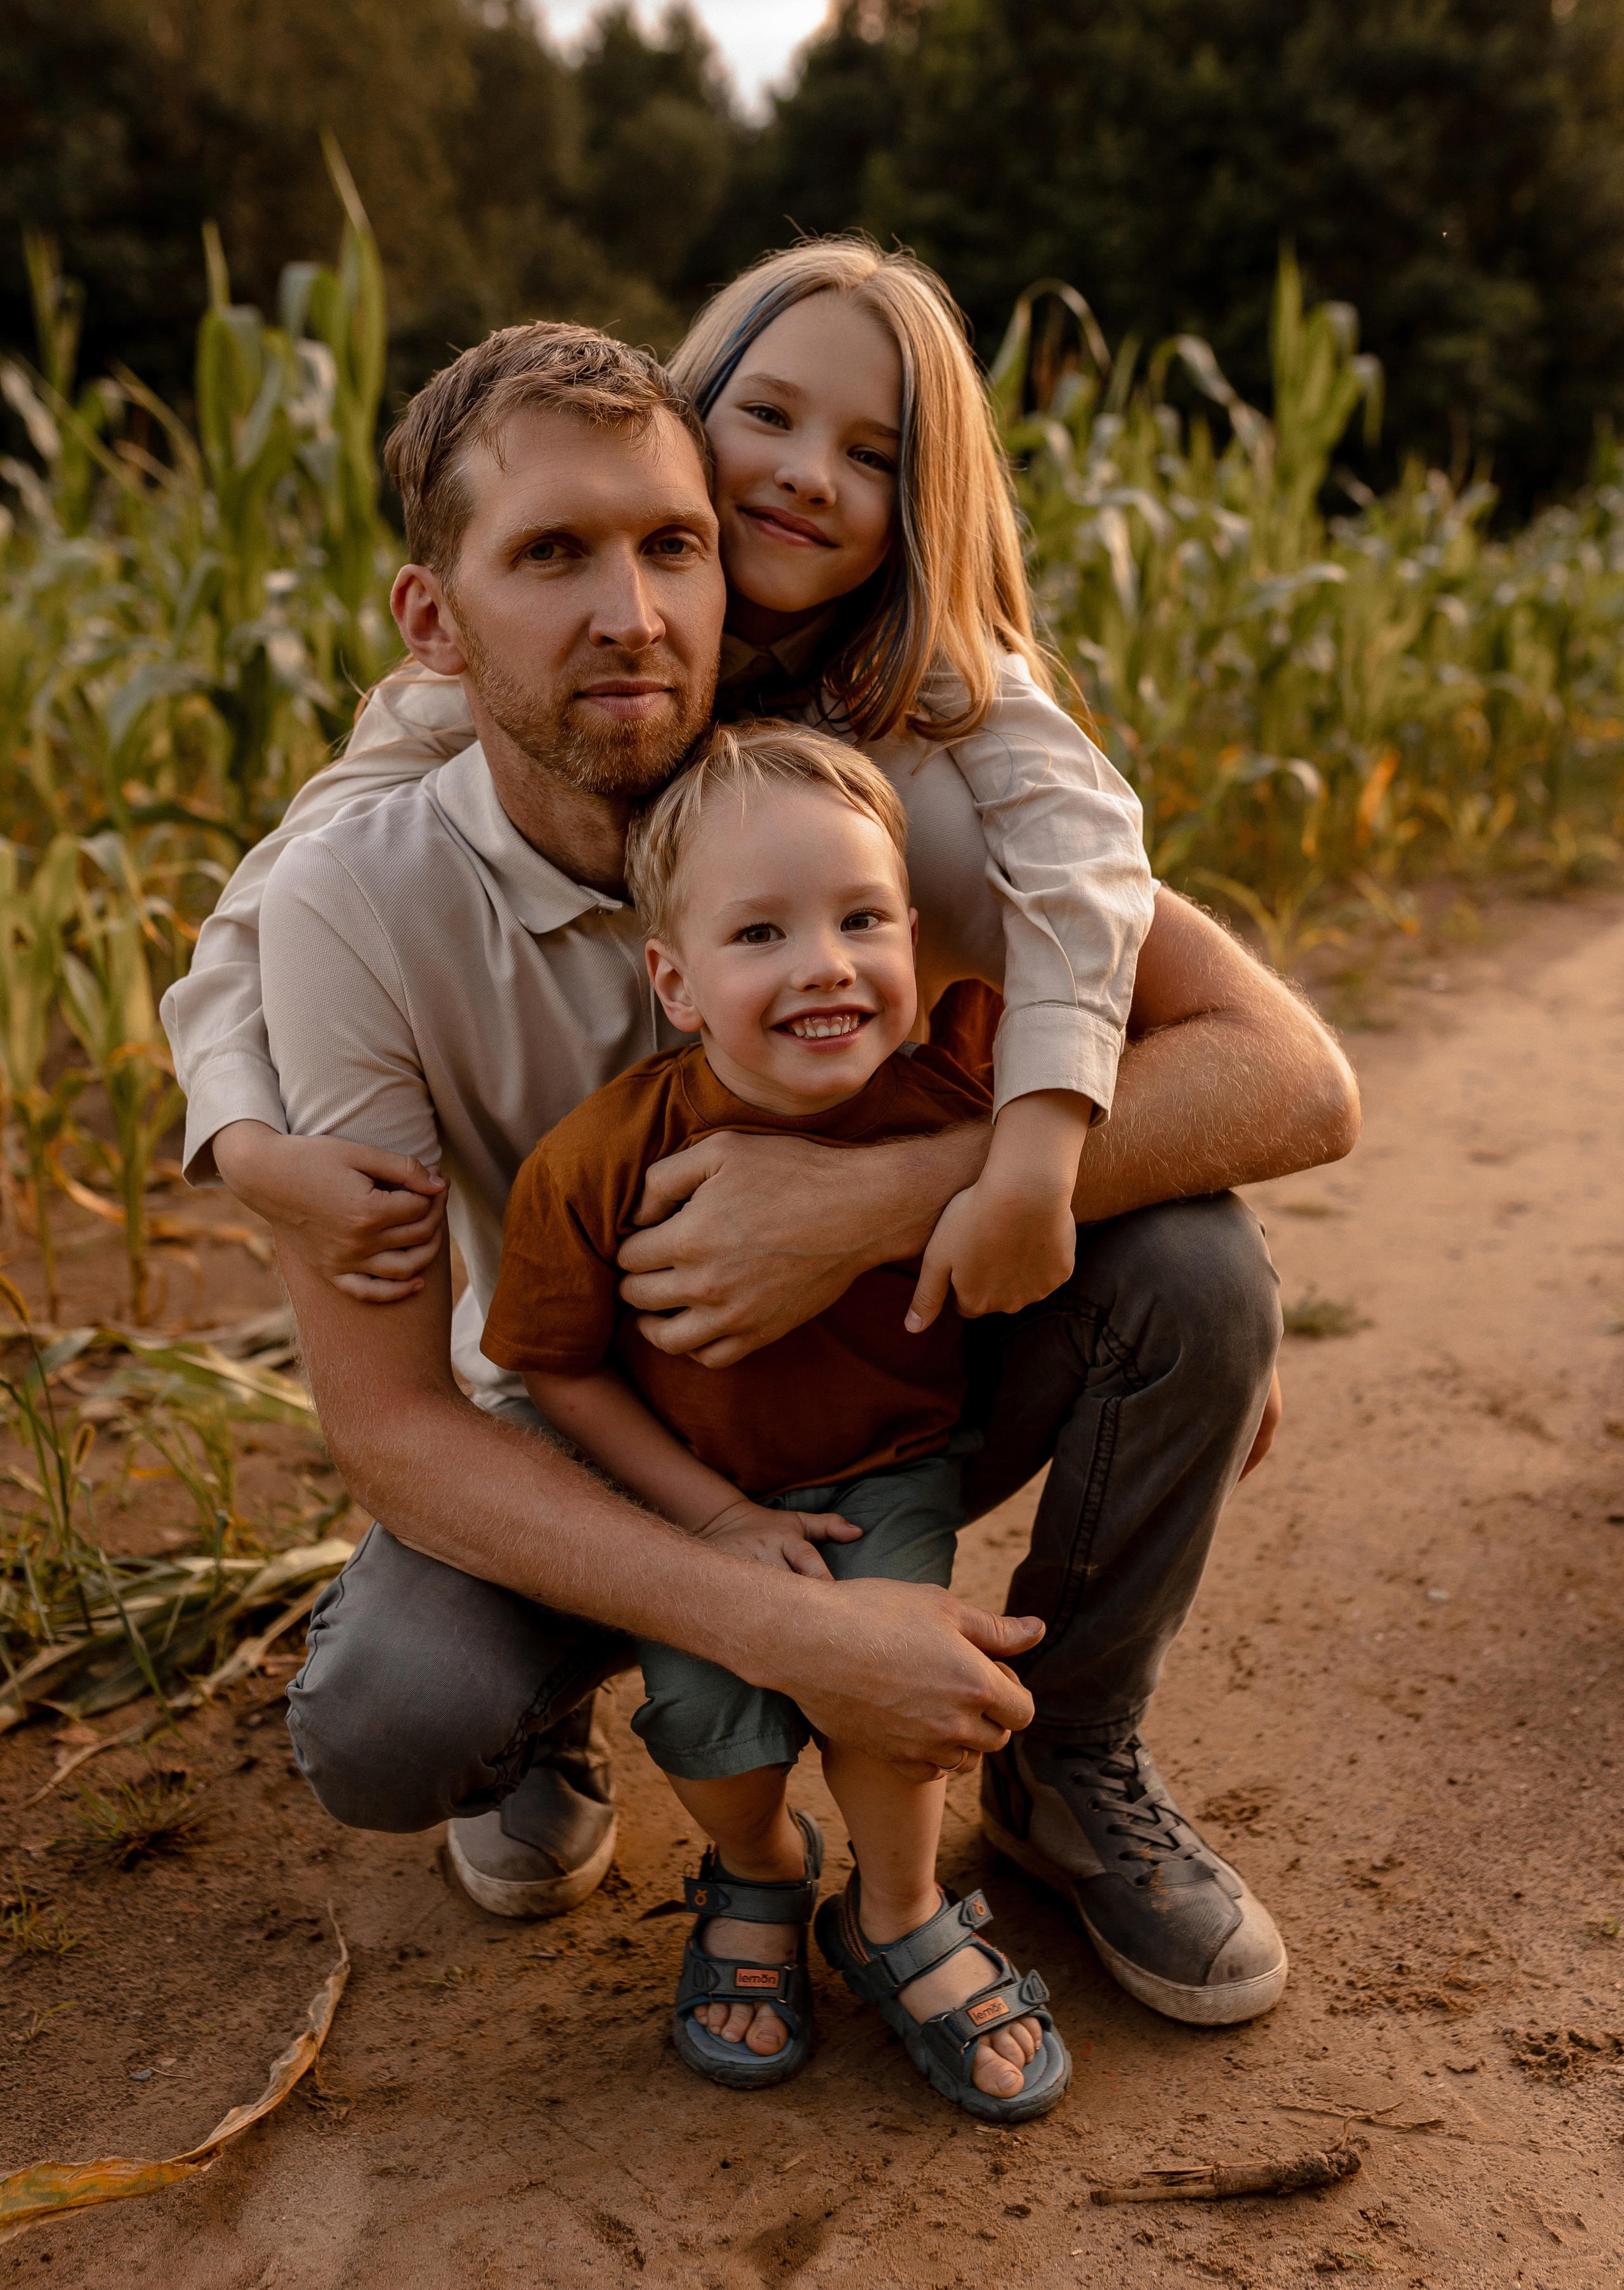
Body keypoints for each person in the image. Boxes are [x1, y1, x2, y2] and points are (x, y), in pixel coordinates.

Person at [162, 307, 1358, 2034]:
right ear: (435, 622)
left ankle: (1069, 1763)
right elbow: (389, 1420)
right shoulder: (363, 890)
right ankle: (550, 1716)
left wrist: (884, 1198)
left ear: (740, 575)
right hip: (581, 1411)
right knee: (392, 1717)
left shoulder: (872, 808)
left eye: (674, 548)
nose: (632, 613)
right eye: (552, 555)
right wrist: (779, 1621)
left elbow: (1292, 1079)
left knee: (1192, 1275)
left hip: (876, 1381)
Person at [485, 720, 1070, 2117]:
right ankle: (755, 1869)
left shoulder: (955, 1085)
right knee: (706, 1715)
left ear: (916, 936)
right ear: (674, 983)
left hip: (891, 1464)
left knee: (886, 1685)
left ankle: (902, 1906)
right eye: (760, 933)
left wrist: (1248, 1305)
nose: (823, 961)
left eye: (862, 917)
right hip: (693, 1492)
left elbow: (1108, 1121)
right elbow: (558, 1372)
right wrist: (710, 1519)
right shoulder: (597, 1161)